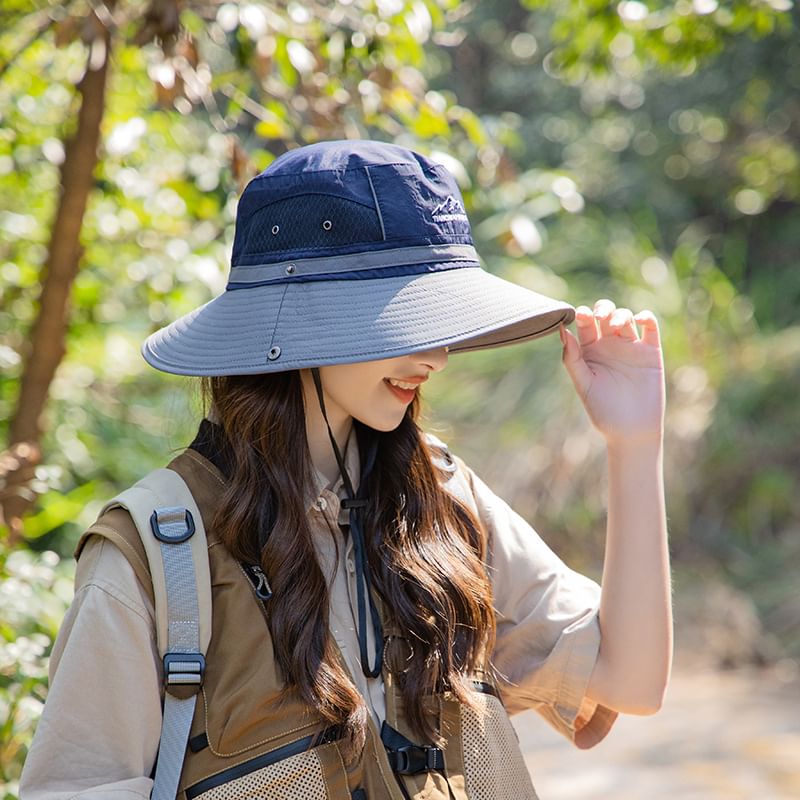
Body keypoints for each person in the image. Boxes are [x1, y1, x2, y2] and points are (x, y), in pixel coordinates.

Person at [20, 140, 671, 800]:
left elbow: (629, 678)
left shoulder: (442, 499)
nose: (439, 356)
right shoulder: (157, 554)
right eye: (407, 315)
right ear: (302, 319)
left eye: (441, 318)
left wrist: (635, 444)